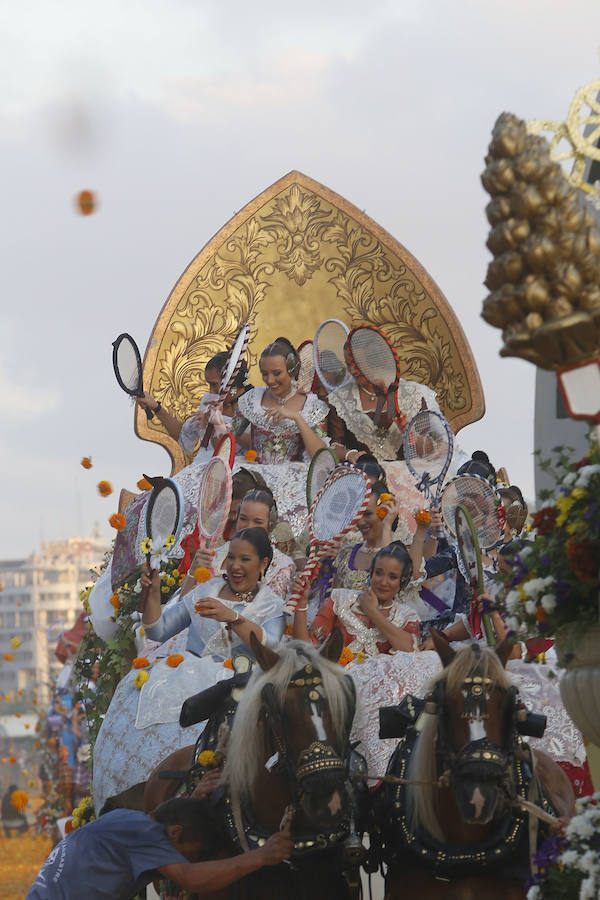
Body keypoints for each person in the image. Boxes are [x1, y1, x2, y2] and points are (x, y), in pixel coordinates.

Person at [92, 528, 286, 813]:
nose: (235, 566)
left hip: (242, 683)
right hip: (183, 676)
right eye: (231, 557)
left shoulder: (272, 605)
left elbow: (270, 647)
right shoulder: (205, 590)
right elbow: (158, 629)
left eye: (245, 559)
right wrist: (153, 593)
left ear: (264, 562)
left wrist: (232, 617)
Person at [26, 797, 292, 899]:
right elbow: (191, 879)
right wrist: (260, 856)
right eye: (193, 856)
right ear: (175, 832)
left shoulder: (126, 821)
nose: (189, 863)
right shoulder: (147, 831)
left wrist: (196, 796)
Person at [294, 542, 420, 656]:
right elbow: (306, 648)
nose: (383, 582)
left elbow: (411, 652)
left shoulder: (406, 616)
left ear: (402, 582)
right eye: (378, 573)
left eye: (392, 577)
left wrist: (372, 612)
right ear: (371, 574)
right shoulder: (340, 599)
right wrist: (302, 603)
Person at [232, 336, 328, 463]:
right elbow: (230, 440)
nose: (270, 380)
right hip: (253, 477)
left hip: (294, 478)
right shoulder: (251, 399)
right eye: (264, 374)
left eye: (277, 373)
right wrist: (217, 426)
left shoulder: (312, 406)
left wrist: (297, 418)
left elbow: (320, 457)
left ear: (292, 370)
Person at [138, 351, 251, 459]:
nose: (211, 391)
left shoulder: (254, 407)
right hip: (202, 468)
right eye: (209, 384)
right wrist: (155, 407)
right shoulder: (209, 400)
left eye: (214, 384)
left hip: (237, 474)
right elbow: (183, 435)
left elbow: (225, 452)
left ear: (233, 382)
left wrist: (217, 423)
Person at [189, 488, 295, 601]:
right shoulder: (216, 555)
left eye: (258, 522)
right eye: (243, 519)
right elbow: (184, 606)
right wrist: (192, 573)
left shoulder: (280, 566)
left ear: (270, 525)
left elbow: (269, 611)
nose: (249, 526)